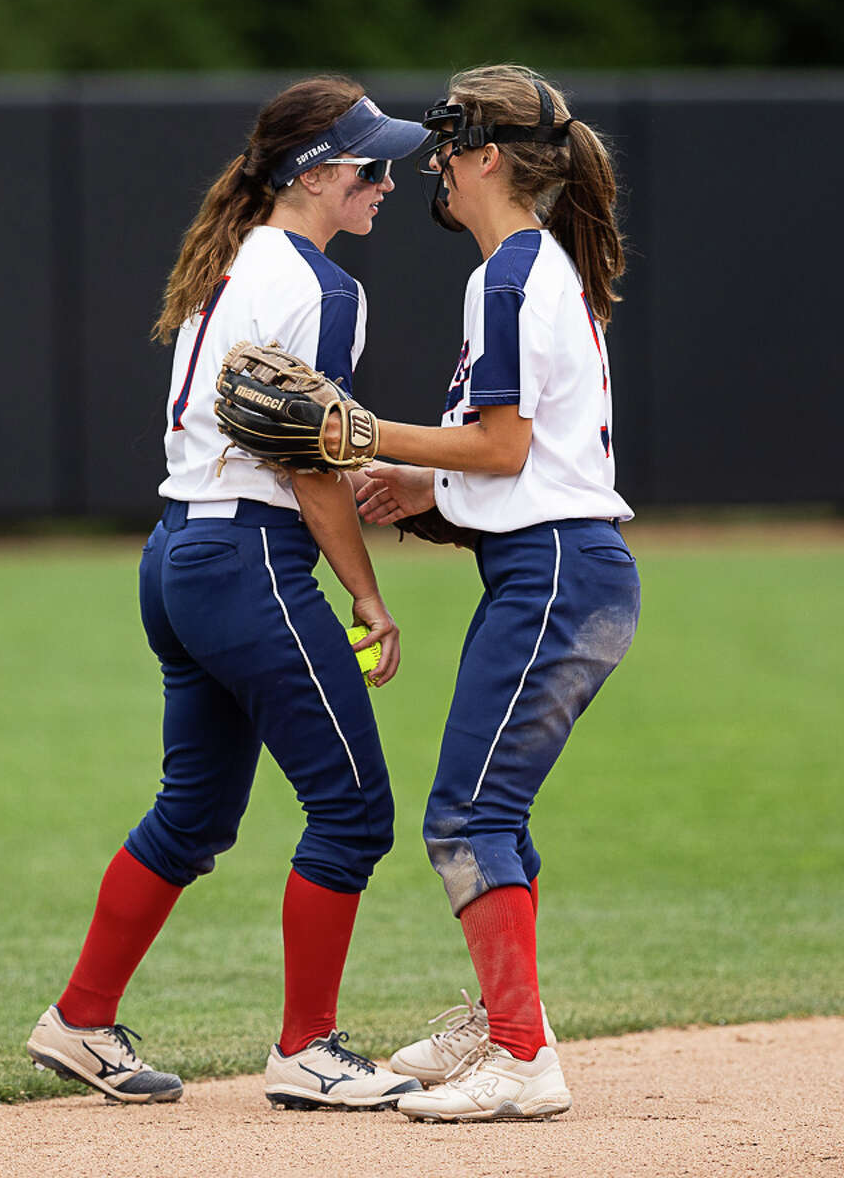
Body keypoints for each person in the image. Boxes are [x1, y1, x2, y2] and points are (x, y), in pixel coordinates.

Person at [25, 76, 429, 1111]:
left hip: (176, 555)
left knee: (194, 814)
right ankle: (307, 1047)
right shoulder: (324, 289)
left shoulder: (236, 259)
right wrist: (370, 597)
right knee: (352, 810)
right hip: (248, 559)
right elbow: (309, 466)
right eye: (371, 165)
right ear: (319, 174)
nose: (387, 180)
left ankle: (80, 1020)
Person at [343, 64, 642, 1121]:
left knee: (468, 816)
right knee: (490, 814)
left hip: (556, 572)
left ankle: (523, 1057)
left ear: (480, 158)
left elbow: (506, 448)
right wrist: (422, 484)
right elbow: (516, 458)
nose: (435, 162)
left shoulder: (511, 273)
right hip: (558, 568)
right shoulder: (530, 266)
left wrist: (364, 433)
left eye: (447, 143)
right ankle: (508, 1019)